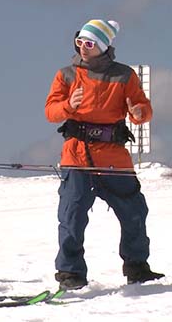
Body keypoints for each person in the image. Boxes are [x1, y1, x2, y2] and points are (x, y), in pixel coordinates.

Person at [45, 19, 164, 290]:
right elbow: (50, 111)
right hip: (77, 156)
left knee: (134, 211)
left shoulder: (125, 76)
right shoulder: (66, 74)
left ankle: (137, 267)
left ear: (103, 46)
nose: (83, 48)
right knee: (72, 215)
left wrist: (138, 113)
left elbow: (143, 108)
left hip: (114, 157)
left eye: (90, 44)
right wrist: (67, 105)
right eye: (80, 42)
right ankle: (70, 272)